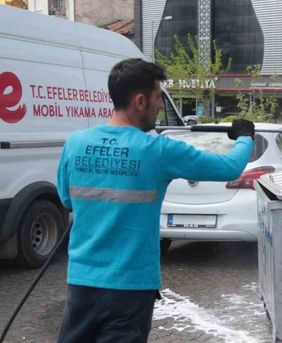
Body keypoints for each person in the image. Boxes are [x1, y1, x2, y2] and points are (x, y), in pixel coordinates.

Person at [55, 58, 255, 343]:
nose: (160, 105)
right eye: (157, 97)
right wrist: (245, 137)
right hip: (130, 288)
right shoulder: (157, 150)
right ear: (140, 101)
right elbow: (229, 167)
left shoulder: (75, 143)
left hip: (82, 284)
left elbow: (67, 200)